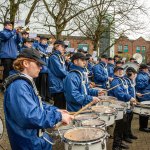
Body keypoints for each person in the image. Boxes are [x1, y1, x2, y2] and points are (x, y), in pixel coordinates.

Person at [3, 48, 73, 150]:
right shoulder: (18, 86)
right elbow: (30, 116)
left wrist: (55, 110)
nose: (41, 68)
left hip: (36, 140)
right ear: (26, 63)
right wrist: (58, 116)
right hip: (29, 143)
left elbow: (36, 104)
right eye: (38, 64)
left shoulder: (24, 83)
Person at [109, 66, 137, 150]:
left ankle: (119, 142)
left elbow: (126, 91)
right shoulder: (115, 81)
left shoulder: (122, 80)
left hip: (123, 106)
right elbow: (119, 93)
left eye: (121, 70)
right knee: (119, 126)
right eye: (119, 70)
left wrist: (130, 98)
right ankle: (116, 146)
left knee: (122, 125)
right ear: (115, 72)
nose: (121, 72)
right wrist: (129, 98)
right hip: (118, 106)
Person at [48, 40, 68, 109]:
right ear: (56, 47)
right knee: (59, 107)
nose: (64, 48)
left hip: (61, 85)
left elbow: (64, 70)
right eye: (62, 46)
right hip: (56, 86)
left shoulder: (60, 57)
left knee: (62, 106)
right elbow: (60, 71)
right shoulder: (54, 57)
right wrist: (69, 75)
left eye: (64, 47)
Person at [123, 67, 138, 143]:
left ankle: (129, 133)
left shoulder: (131, 80)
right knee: (126, 121)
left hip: (131, 103)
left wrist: (136, 94)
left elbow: (132, 90)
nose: (135, 76)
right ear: (129, 73)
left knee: (130, 120)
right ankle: (125, 136)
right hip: (128, 103)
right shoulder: (125, 80)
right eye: (134, 74)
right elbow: (126, 92)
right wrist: (131, 99)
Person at [136, 64, 150, 132]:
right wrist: (148, 82)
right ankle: (142, 127)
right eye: (147, 68)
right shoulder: (139, 76)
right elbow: (139, 86)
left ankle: (145, 126)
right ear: (143, 69)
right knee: (144, 111)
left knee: (147, 111)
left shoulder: (146, 74)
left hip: (147, 95)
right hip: (143, 96)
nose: (148, 69)